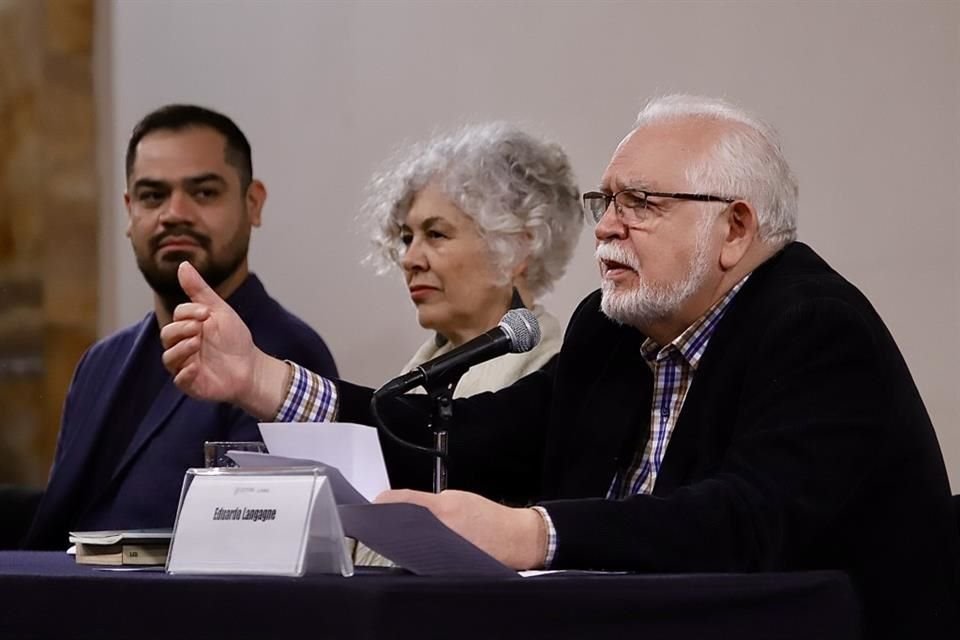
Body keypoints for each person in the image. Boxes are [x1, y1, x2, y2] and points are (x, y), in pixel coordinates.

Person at [159, 95, 958, 638]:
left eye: (640, 204)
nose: (607, 229)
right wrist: (265, 380)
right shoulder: (612, 332)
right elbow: (464, 439)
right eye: (602, 201)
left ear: (736, 228)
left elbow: (744, 523)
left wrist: (532, 533)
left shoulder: (816, 328)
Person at [22, 104, 338, 550]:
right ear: (130, 212)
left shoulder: (286, 357)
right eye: (152, 196)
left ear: (253, 204)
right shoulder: (100, 362)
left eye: (204, 193)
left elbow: (254, 552)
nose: (175, 213)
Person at [363, 122, 582, 397]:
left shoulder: (555, 384)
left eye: (436, 234)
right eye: (407, 238)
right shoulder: (413, 382)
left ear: (518, 248)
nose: (410, 260)